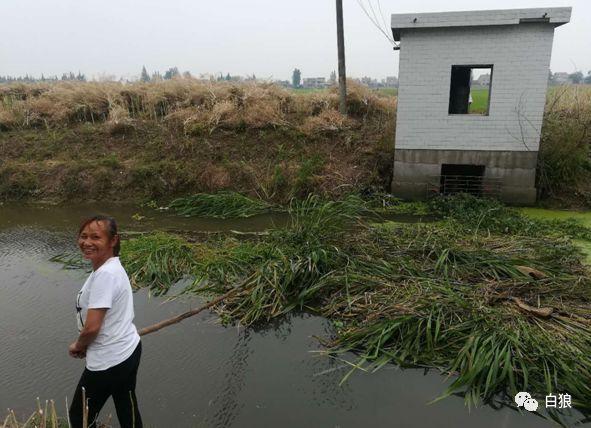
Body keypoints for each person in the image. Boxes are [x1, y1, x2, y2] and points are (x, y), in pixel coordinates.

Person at [68, 215, 143, 428]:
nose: (87, 242)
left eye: (95, 237)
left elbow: (92, 327)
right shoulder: (111, 267)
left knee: (79, 417)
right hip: (128, 349)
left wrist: (79, 345)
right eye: (83, 236)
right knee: (127, 410)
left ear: (113, 241)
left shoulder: (105, 275)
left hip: (108, 361)